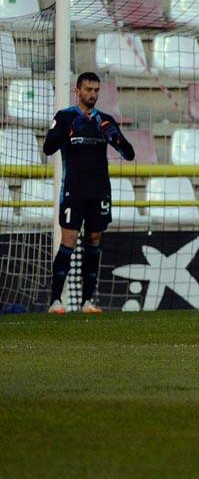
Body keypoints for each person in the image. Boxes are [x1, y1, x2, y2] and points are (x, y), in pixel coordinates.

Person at [42, 72, 135, 314]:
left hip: (100, 190)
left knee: (94, 241)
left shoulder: (105, 120)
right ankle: (55, 300)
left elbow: (129, 154)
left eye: (96, 90)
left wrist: (114, 137)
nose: (93, 94)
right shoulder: (65, 118)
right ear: (78, 91)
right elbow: (48, 148)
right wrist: (67, 131)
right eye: (88, 90)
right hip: (74, 191)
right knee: (69, 243)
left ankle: (87, 301)